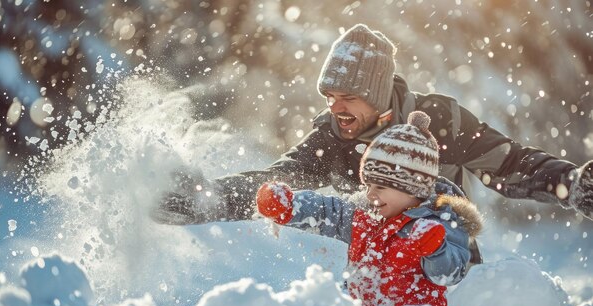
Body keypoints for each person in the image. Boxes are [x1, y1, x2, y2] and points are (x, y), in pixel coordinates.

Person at [153, 23, 593, 225]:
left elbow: (508, 162)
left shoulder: (439, 119)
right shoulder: (331, 136)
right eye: (330, 97)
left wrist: (569, 184)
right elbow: (277, 180)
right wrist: (206, 200)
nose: (336, 108)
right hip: (369, 265)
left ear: (379, 94)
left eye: (348, 97)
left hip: (441, 260)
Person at [256, 111, 482, 306]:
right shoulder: (364, 214)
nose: (370, 193)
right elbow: (327, 211)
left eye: (381, 187)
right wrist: (290, 206)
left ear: (414, 188)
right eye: (368, 184)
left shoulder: (439, 222)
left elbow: (450, 275)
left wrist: (436, 250)